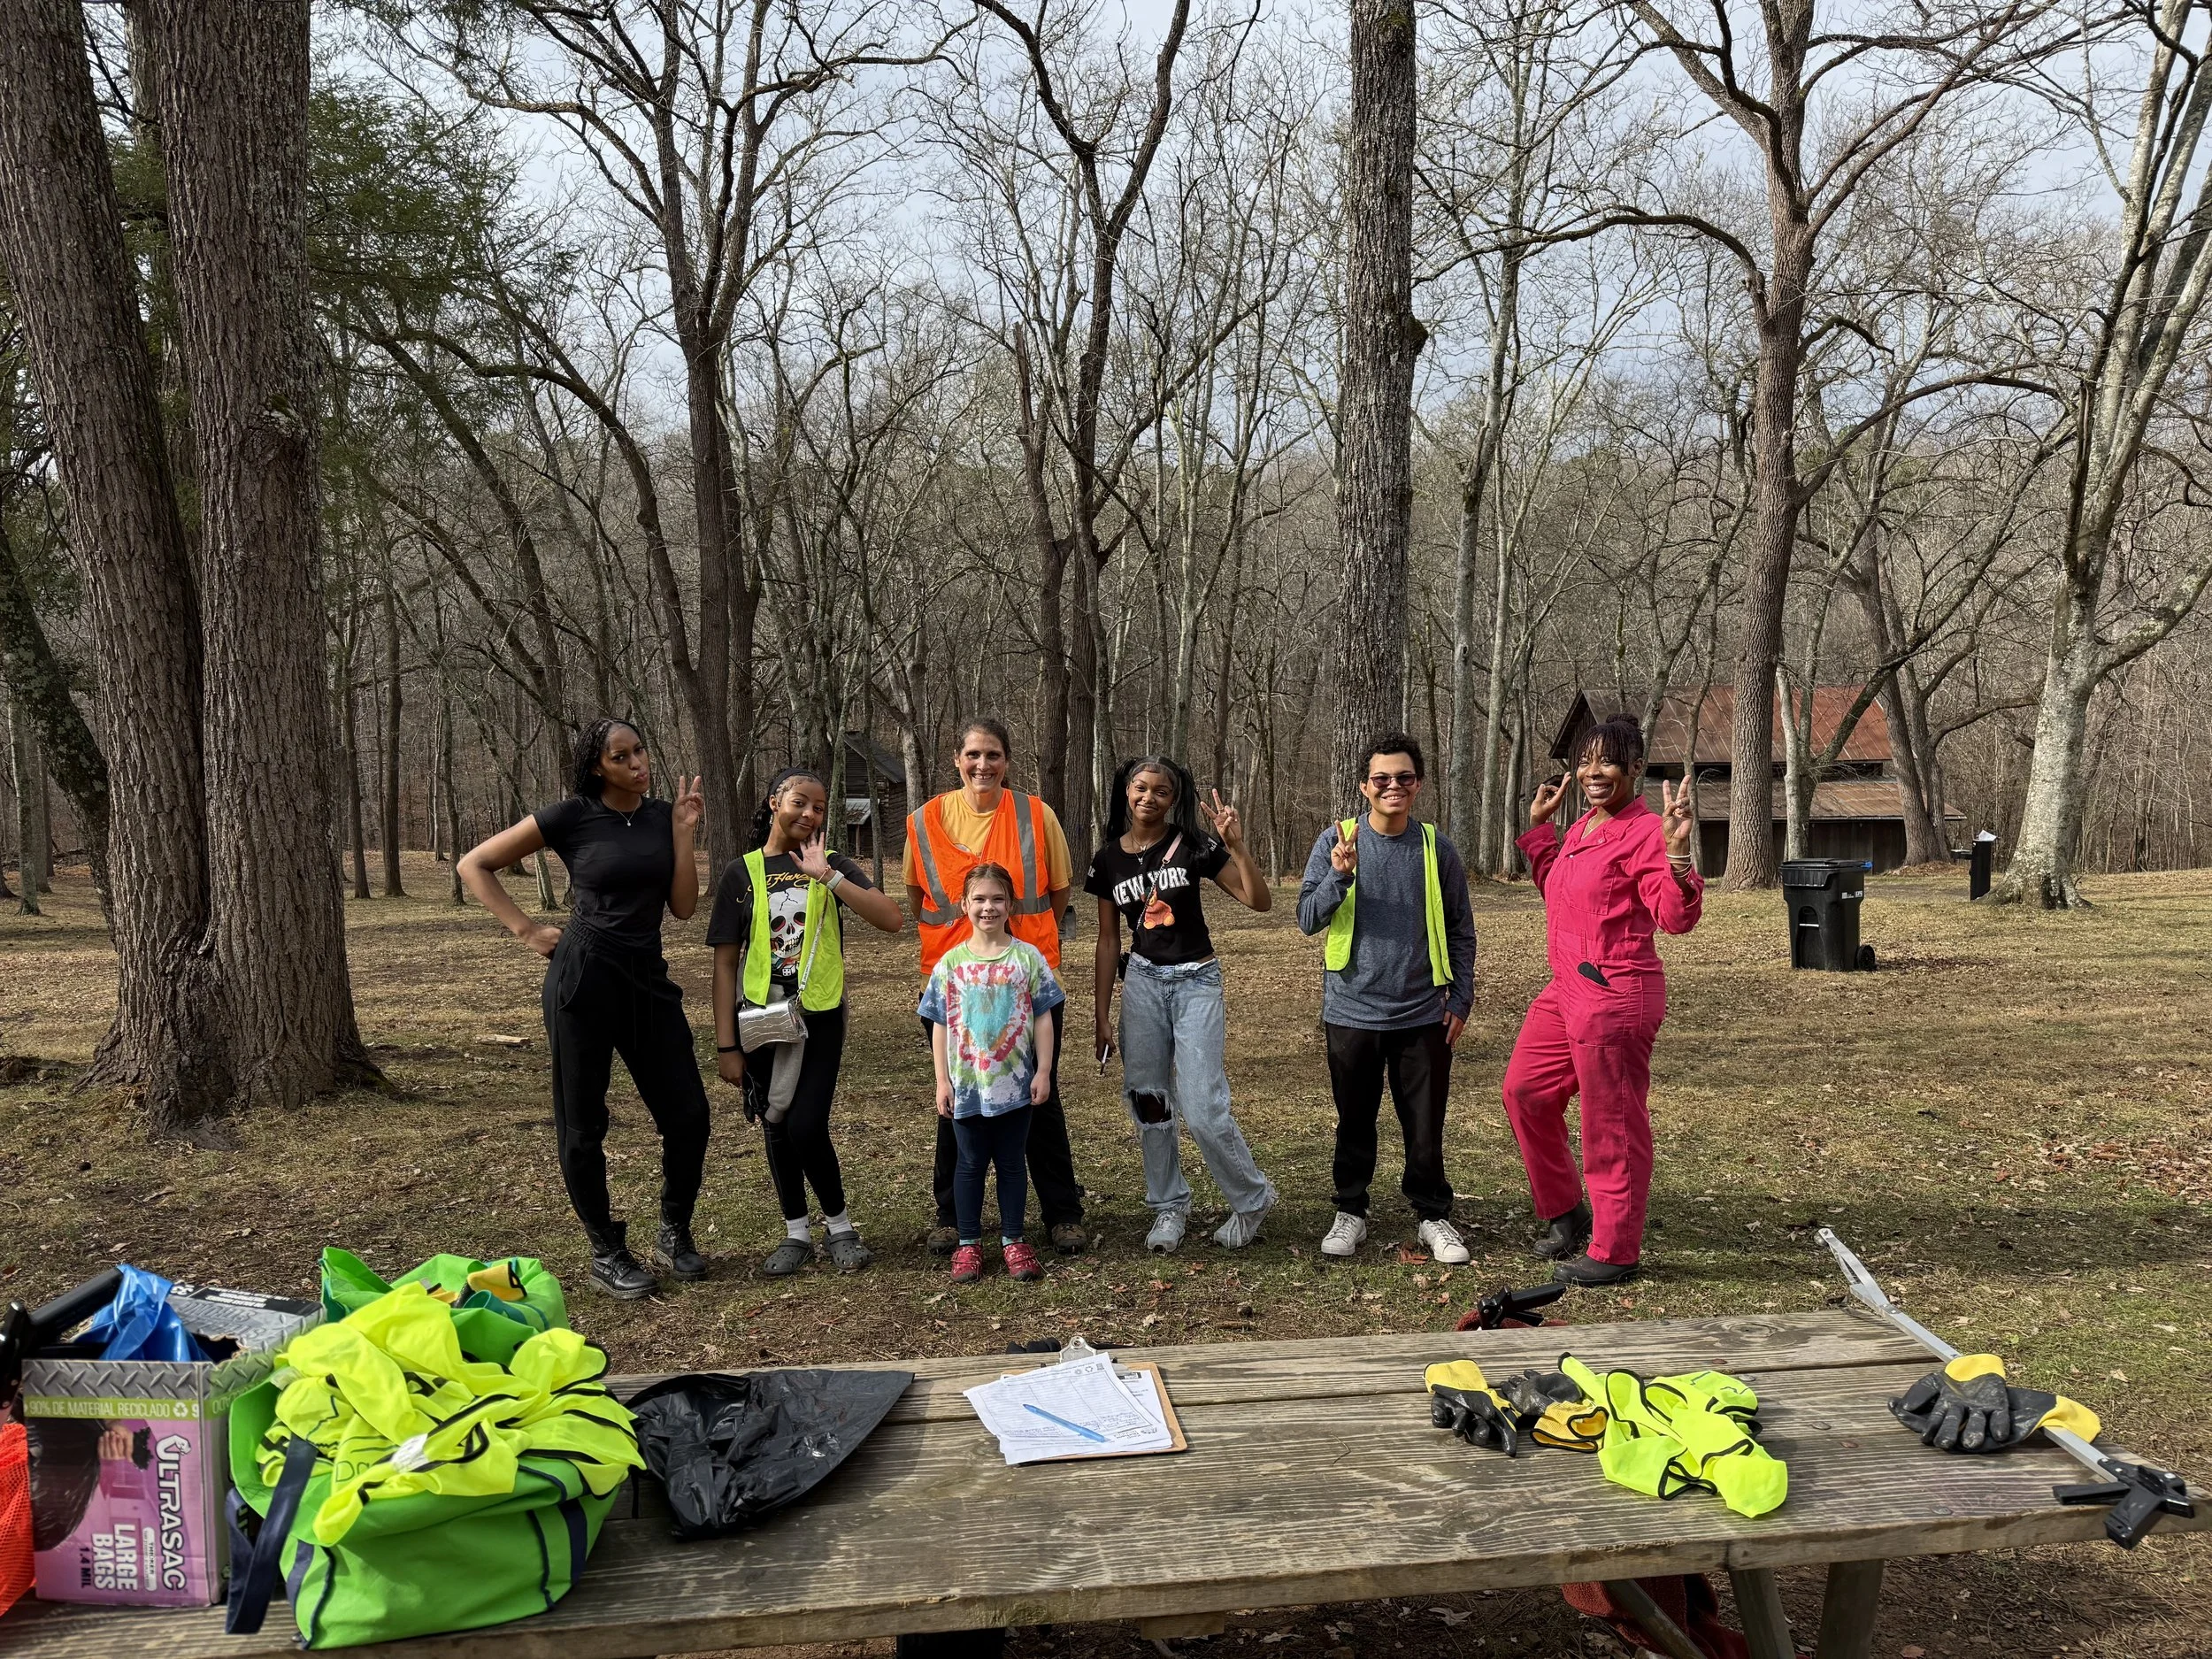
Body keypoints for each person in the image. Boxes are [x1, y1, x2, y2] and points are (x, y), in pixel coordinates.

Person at [458, 718, 711, 1299]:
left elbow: (683, 906)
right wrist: (526, 929)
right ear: (598, 765)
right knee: (582, 1123)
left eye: (640, 750)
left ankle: (674, 1228)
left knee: (688, 1114)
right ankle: (606, 1249)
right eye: (621, 756)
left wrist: (683, 834)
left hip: (647, 980)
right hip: (584, 978)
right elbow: (474, 864)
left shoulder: (663, 815)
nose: (636, 763)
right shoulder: (571, 815)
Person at [1504, 713, 1701, 1287]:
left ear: (1635, 769)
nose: (1592, 771)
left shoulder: (1644, 832)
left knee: (1610, 1122)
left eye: (1606, 761)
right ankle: (1567, 1212)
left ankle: (1615, 1248)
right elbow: (1561, 892)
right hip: (1567, 985)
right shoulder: (1586, 825)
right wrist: (1542, 831)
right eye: (1585, 761)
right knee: (1525, 1091)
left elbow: (1673, 915)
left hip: (1615, 991)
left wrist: (1678, 854)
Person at [707, 767, 905, 1279]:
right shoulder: (741, 872)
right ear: (775, 802)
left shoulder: (829, 864)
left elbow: (890, 919)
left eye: (819, 808)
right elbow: (725, 962)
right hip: (759, 1017)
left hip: (818, 1014)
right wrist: (727, 1046)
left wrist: (828, 876)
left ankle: (840, 1227)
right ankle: (797, 1231)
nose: (810, 814)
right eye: (800, 802)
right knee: (775, 1123)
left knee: (805, 1122)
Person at [904, 717, 1087, 1255]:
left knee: (1038, 1098)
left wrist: (1023, 947)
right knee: (954, 1098)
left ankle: (1061, 1213)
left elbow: (1058, 891)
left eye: (994, 755)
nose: (982, 765)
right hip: (951, 986)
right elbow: (919, 899)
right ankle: (951, 1216)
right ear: (956, 760)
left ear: (1008, 761)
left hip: (1026, 983)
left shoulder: (1035, 814)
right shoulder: (923, 821)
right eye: (973, 755)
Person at [1297, 732, 1478, 1266]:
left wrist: (1460, 999)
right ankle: (1350, 1210)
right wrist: (1338, 875)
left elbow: (1461, 929)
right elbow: (1307, 919)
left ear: (1417, 785)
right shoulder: (1337, 840)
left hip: (1423, 1011)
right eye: (1382, 778)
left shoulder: (1435, 847)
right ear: (1364, 786)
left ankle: (1432, 1216)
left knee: (1425, 1123)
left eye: (1403, 777)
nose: (1392, 786)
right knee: (1355, 1118)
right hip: (1351, 1010)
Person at [1087, 755, 1277, 1253]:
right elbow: (1109, 941)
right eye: (1139, 788)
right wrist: (1103, 1013)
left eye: (1162, 791)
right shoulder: (1107, 859)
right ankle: (1168, 1207)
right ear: (1125, 792)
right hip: (1143, 985)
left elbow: (1259, 901)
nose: (1148, 798)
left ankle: (1252, 1198)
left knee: (1202, 1106)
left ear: (1176, 799)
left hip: (1196, 982)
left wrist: (1236, 848)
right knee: (1148, 1101)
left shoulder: (1194, 846)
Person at [919, 862, 1064, 1284]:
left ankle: (1014, 1239)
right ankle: (968, 1243)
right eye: (979, 900)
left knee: (1012, 1163)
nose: (988, 908)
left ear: (1010, 904)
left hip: (1015, 1086)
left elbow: (1043, 1018)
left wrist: (1044, 1072)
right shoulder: (949, 964)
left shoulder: (1028, 958)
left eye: (997, 899)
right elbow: (940, 1023)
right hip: (967, 1088)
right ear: (964, 905)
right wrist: (942, 1080)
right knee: (969, 1164)